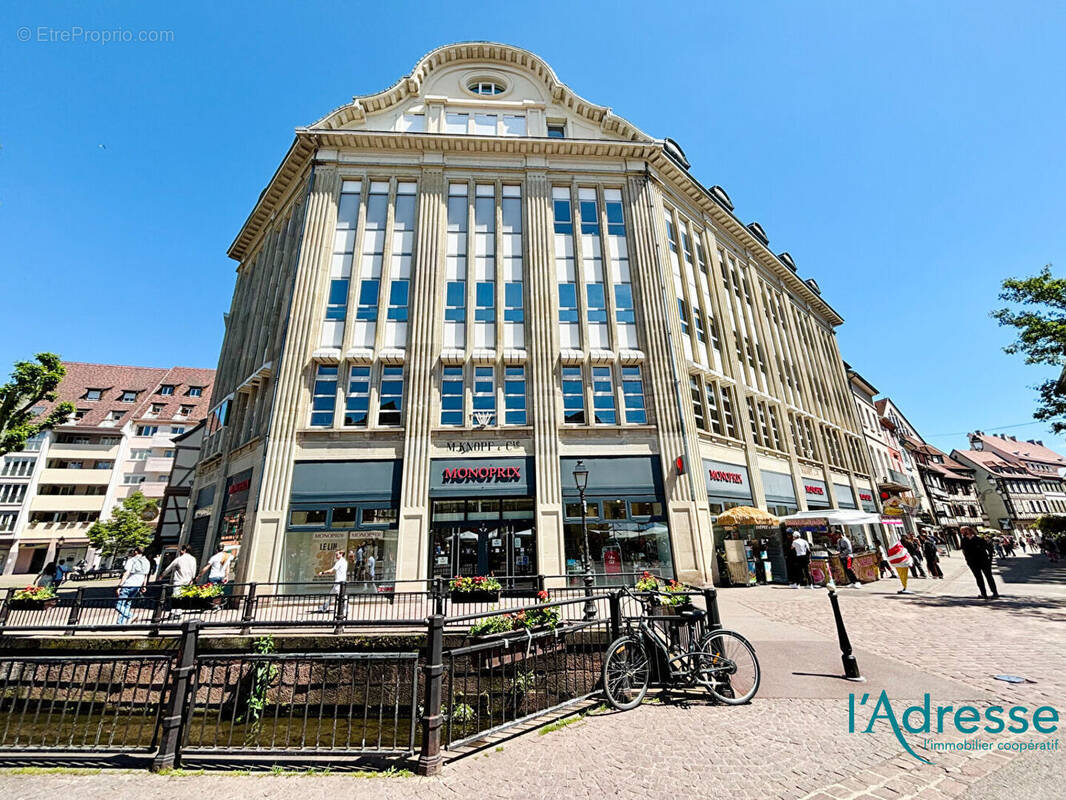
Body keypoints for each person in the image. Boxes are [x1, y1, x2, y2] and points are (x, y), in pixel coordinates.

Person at [115, 547, 151, 624]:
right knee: (127, 604)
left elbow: (126, 573)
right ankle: (120, 623)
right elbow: (145, 575)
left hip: (128, 584)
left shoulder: (131, 560)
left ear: (136, 552)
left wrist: (120, 585)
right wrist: (144, 586)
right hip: (137, 586)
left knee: (119, 605)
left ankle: (131, 616)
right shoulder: (147, 562)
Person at [961, 526, 999, 600]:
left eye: (963, 531)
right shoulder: (964, 540)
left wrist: (990, 558)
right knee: (979, 578)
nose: (962, 532)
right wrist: (967, 560)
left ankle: (994, 592)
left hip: (983, 560)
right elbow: (963, 551)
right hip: (973, 561)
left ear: (969, 531)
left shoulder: (979, 538)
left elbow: (988, 548)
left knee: (988, 576)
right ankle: (984, 594)